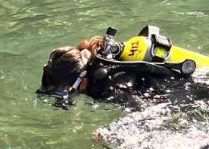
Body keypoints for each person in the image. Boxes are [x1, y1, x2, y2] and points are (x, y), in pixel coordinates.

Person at [37, 25, 209, 105]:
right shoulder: (109, 60)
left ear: (81, 81)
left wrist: (110, 135)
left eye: (61, 91)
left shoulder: (109, 84)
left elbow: (147, 112)